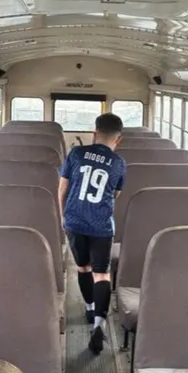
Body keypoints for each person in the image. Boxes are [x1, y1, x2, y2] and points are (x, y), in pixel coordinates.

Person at [58, 112, 126, 355]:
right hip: (101, 226)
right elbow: (114, 194)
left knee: (83, 268)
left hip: (75, 221)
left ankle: (88, 307)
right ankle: (99, 324)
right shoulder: (118, 163)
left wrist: (64, 217)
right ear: (119, 139)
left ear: (94, 134)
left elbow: (63, 189)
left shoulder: (76, 154)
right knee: (102, 274)